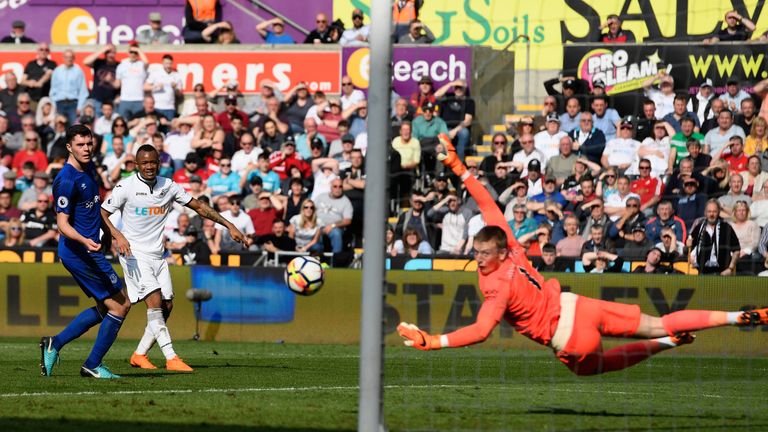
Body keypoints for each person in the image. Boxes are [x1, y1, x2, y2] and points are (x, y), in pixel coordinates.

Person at [399, 134, 768, 375]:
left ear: (497, 252)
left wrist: (434, 341)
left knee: (592, 367)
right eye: (476, 252)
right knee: (662, 321)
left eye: (483, 253)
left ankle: (672, 341)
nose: (478, 258)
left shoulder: (497, 287)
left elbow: (481, 331)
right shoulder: (510, 247)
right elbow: (487, 203)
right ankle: (736, 316)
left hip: (568, 334)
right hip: (578, 305)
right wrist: (459, 169)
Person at [102, 144, 249, 370]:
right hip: (134, 254)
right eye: (145, 163)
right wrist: (118, 236)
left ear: (159, 163)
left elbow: (199, 206)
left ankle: (139, 354)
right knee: (154, 302)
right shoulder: (126, 186)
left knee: (167, 306)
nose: (149, 166)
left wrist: (229, 225)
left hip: (158, 255)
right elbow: (101, 214)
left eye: (153, 162)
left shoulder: (168, 186)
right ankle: (171, 357)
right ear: (137, 165)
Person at [39, 125, 130, 379]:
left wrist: (111, 232)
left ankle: (55, 343)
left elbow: (94, 209)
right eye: (80, 145)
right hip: (79, 252)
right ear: (69, 147)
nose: (87, 149)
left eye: (89, 144)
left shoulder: (89, 169)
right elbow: (62, 224)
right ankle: (92, 364)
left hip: (90, 249)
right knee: (121, 305)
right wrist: (86, 241)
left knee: (107, 305)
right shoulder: (66, 179)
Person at [689, 199, 741, 275]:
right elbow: (689, 248)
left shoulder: (726, 228)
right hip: (702, 272)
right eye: (709, 211)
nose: (711, 214)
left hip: (722, 272)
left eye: (714, 211)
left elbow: (736, 250)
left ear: (719, 212)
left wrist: (730, 268)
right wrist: (688, 246)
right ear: (705, 213)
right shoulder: (698, 228)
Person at [49, 50, 89, 126]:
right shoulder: (57, 71)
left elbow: (83, 91)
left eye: (71, 57)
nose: (69, 59)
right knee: (59, 128)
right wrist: (54, 105)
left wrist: (80, 107)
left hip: (73, 105)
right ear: (63, 58)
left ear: (74, 58)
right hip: (59, 104)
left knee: (74, 129)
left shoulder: (78, 71)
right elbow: (53, 90)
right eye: (67, 57)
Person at [115, 43, 149, 121]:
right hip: (125, 100)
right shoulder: (122, 65)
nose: (133, 54)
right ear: (128, 52)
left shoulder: (141, 64)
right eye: (131, 52)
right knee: (123, 123)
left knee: (139, 122)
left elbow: (147, 62)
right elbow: (117, 84)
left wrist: (137, 49)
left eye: (135, 53)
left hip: (139, 100)